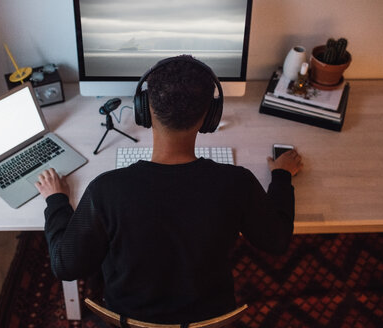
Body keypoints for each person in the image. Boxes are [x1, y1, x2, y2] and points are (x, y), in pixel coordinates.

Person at [35, 55, 303, 324]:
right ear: (210, 117)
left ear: (145, 110)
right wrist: (281, 176)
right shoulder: (237, 183)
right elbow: (277, 241)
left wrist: (56, 200)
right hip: (208, 317)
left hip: (130, 317)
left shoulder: (106, 191)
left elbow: (64, 266)